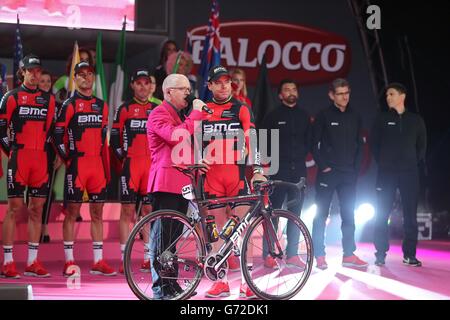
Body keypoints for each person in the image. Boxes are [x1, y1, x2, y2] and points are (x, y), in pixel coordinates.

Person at [201, 65, 266, 299]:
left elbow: (253, 140)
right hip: (212, 179)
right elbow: (193, 142)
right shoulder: (203, 109)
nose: (223, 85)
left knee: (241, 230)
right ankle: (222, 283)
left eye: (226, 81)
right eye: (217, 82)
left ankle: (246, 285)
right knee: (218, 232)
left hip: (236, 178)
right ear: (210, 85)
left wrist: (258, 169)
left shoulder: (241, 108)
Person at [53, 61, 115, 277]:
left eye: (89, 74)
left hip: (96, 165)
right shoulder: (69, 104)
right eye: (81, 75)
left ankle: (98, 261)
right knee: (72, 212)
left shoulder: (102, 105)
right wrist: (67, 157)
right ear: (75, 79)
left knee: (97, 213)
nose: (86, 78)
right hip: (77, 165)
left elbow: (104, 136)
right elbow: (57, 134)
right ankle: (69, 260)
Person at [146, 73, 205, 299]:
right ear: (168, 92)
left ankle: (171, 285)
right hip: (165, 182)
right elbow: (176, 136)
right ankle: (161, 288)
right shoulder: (158, 113)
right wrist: (197, 113)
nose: (188, 94)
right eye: (183, 90)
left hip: (181, 183)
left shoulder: (179, 116)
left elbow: (181, 148)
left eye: (188, 90)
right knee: (163, 239)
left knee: (173, 240)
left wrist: (198, 163)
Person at [0, 54, 56, 278]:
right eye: (30, 70)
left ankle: (32, 262)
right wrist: (11, 153)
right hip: (19, 157)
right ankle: (8, 262)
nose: (34, 74)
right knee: (13, 209)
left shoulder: (49, 100)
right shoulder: (10, 97)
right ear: (22, 72)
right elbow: (1, 130)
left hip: (40, 160)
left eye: (38, 71)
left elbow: (52, 131)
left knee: (36, 209)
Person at [311, 78, 368, 270]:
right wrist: (324, 166)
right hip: (328, 174)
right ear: (331, 95)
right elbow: (313, 143)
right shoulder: (323, 115)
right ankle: (319, 255)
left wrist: (356, 167)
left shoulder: (356, 115)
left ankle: (349, 254)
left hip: (348, 174)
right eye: (340, 93)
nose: (345, 97)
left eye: (347, 93)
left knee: (349, 215)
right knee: (321, 215)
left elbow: (360, 144)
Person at [371, 83, 427, 267]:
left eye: (392, 94)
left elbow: (421, 147)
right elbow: (374, 145)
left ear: (402, 96)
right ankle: (380, 253)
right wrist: (385, 163)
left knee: (410, 215)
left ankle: (409, 254)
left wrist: (409, 163)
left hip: (409, 174)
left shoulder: (416, 120)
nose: (388, 97)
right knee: (381, 213)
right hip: (386, 174)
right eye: (387, 94)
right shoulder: (381, 119)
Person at [260, 79, 311, 269]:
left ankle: (292, 255)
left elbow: (309, 141)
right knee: (272, 214)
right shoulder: (272, 116)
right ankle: (269, 254)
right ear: (280, 95)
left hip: (298, 171)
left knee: (295, 215)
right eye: (287, 89)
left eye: (294, 88)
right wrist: (266, 168)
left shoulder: (305, 116)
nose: (291, 91)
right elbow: (263, 142)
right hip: (276, 171)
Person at [111, 69, 157, 273]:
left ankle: (148, 258)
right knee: (127, 211)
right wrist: (126, 157)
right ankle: (123, 258)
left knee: (148, 212)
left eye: (146, 83)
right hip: (131, 166)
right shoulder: (124, 109)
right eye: (139, 83)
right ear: (132, 86)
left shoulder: (157, 109)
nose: (143, 87)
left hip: (151, 168)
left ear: (151, 86)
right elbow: (114, 139)